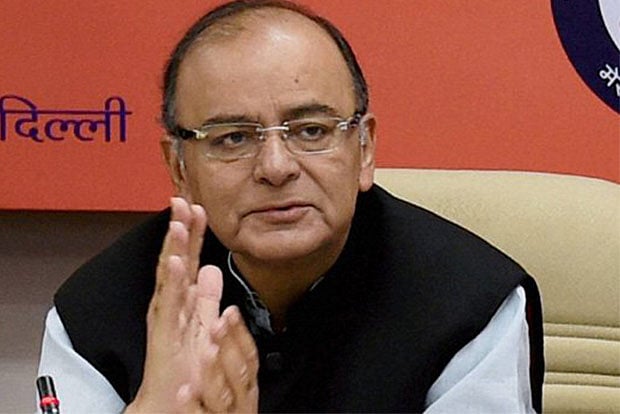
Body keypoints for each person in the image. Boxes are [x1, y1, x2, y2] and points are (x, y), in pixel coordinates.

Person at [37, 0, 544, 412]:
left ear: (365, 149)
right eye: (233, 138)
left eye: (311, 131)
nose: (276, 167)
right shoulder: (96, 312)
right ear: (180, 168)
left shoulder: (469, 302)